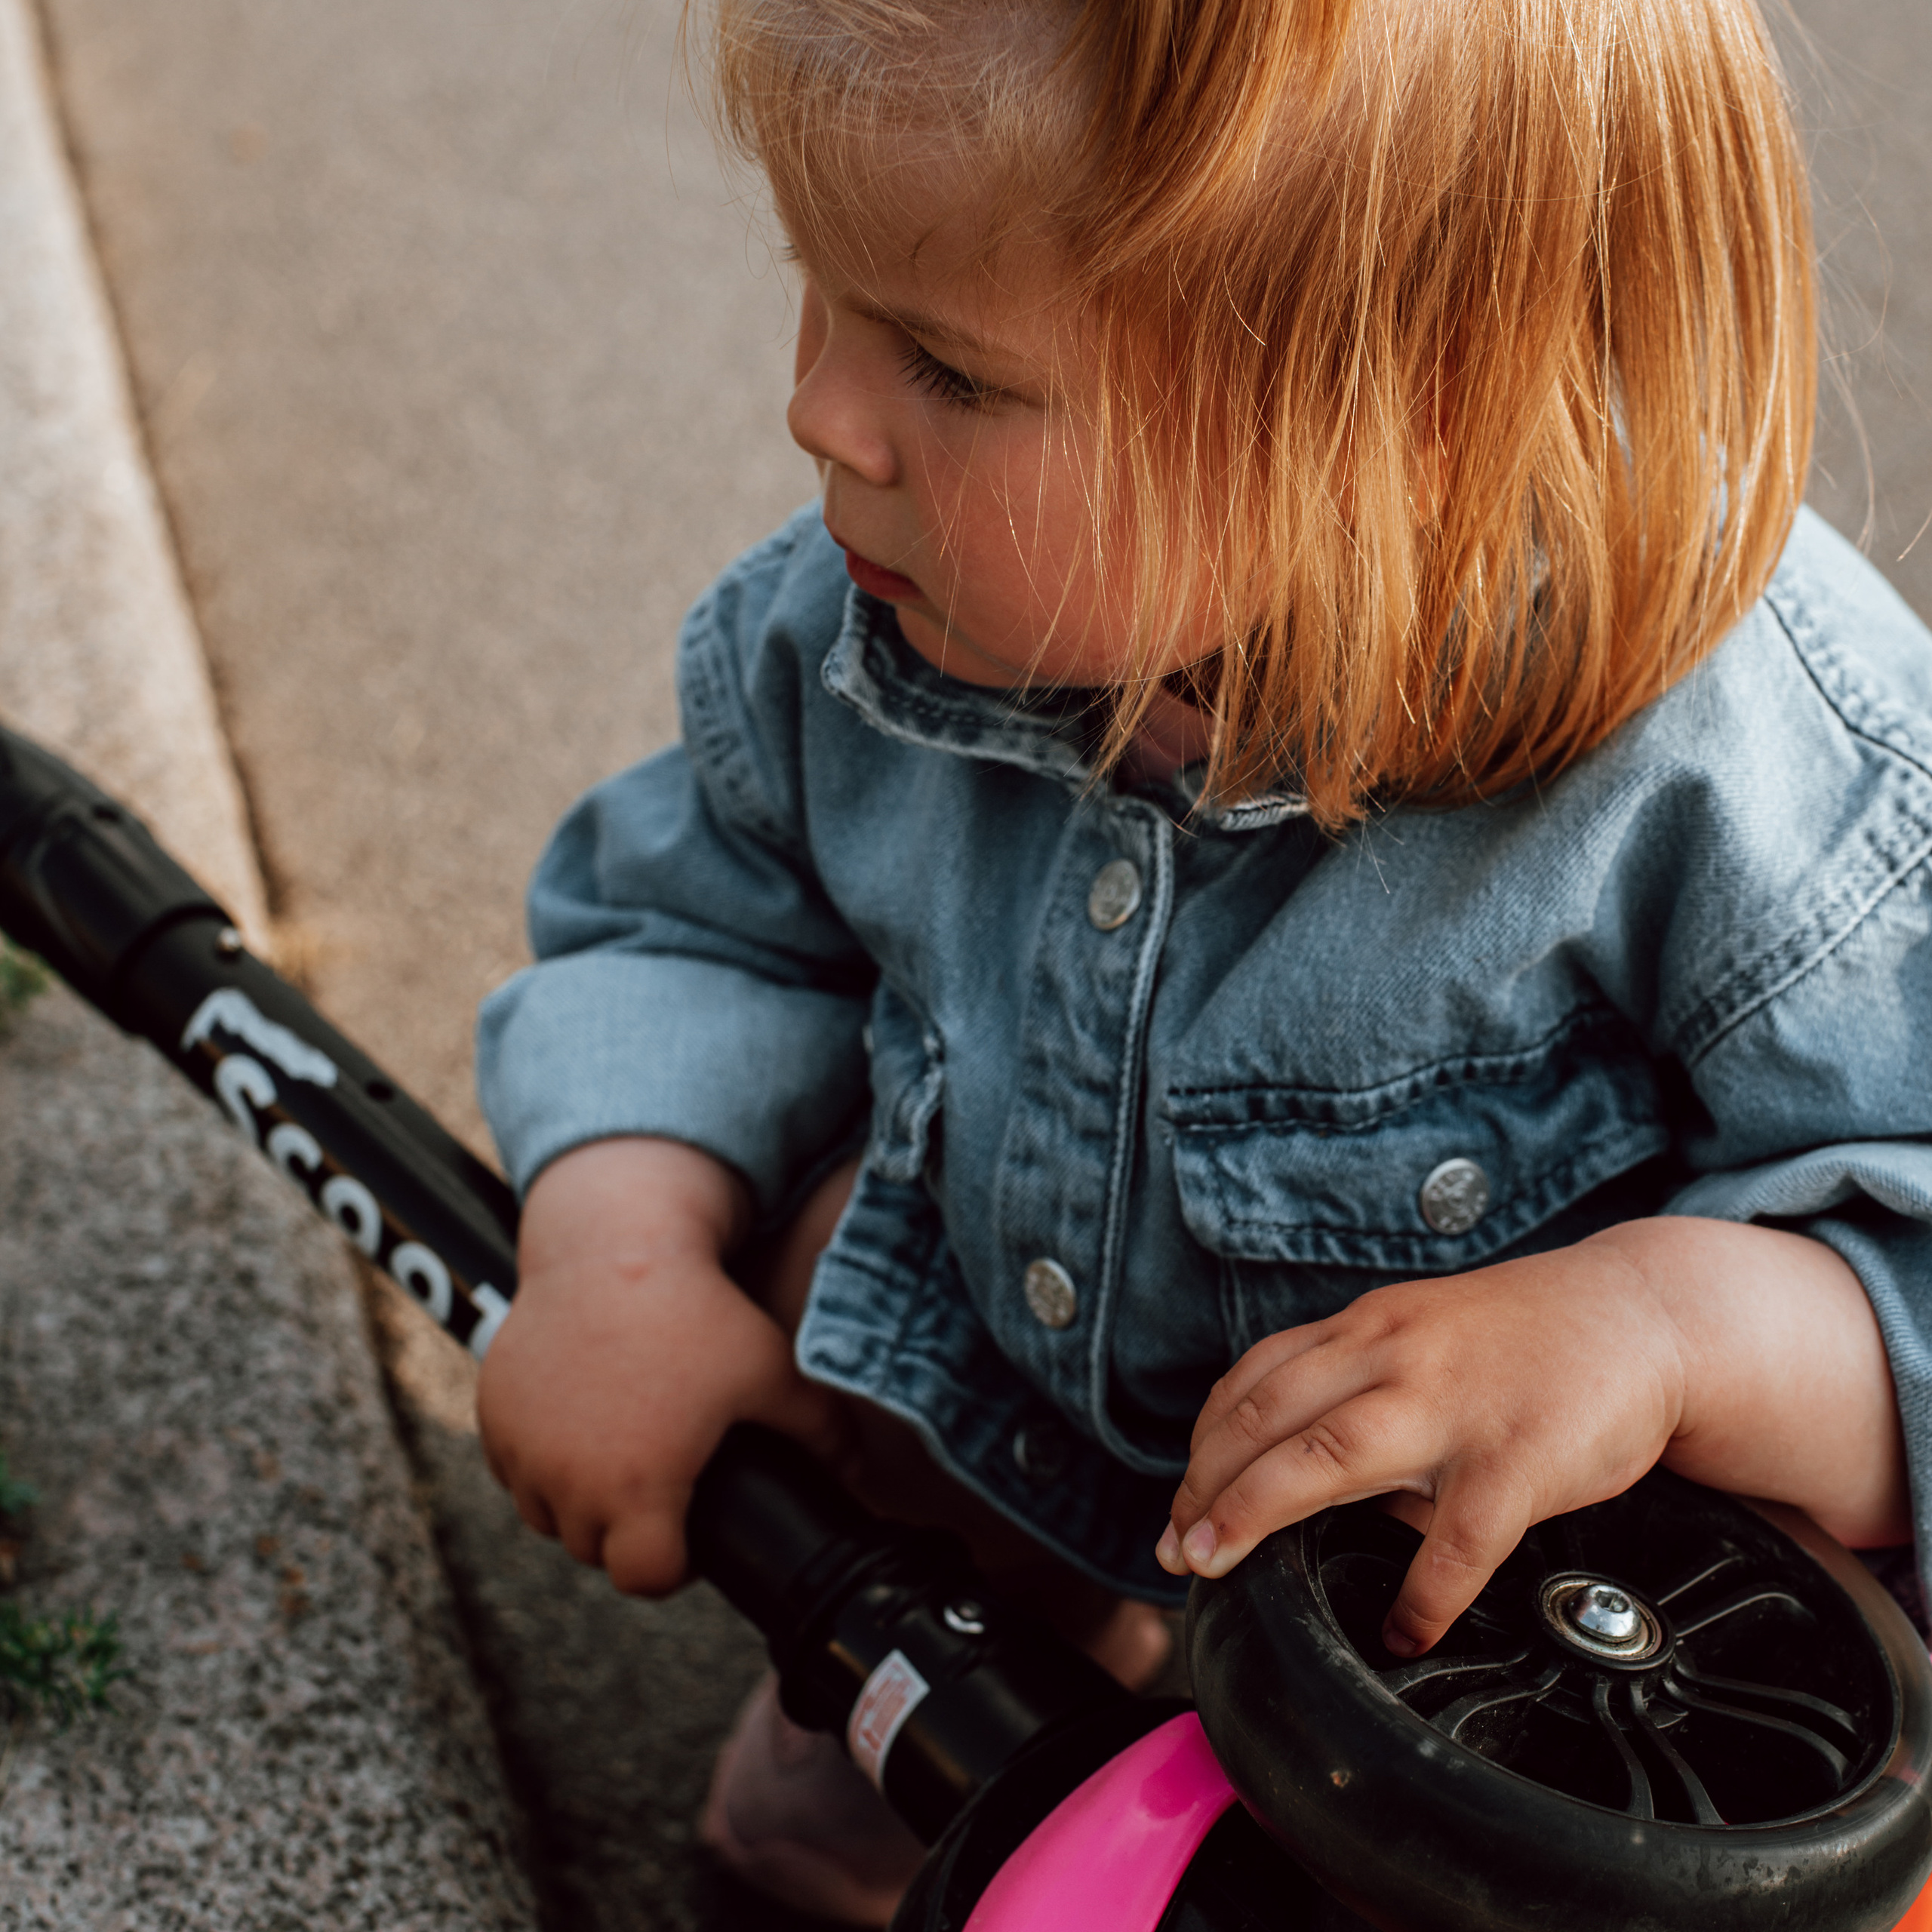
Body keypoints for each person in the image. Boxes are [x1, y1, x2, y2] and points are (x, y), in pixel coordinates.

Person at [473, 0, 1930, 1920]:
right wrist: (618, 1256)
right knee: (818, 1265)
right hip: (1003, 1406)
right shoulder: (861, 624)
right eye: (818, 292)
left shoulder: (1758, 783)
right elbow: (684, 921)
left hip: (1474, 1652)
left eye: (949, 368)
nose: (817, 409)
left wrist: (1666, 1330)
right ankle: (934, 1711)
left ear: (1397, 419)